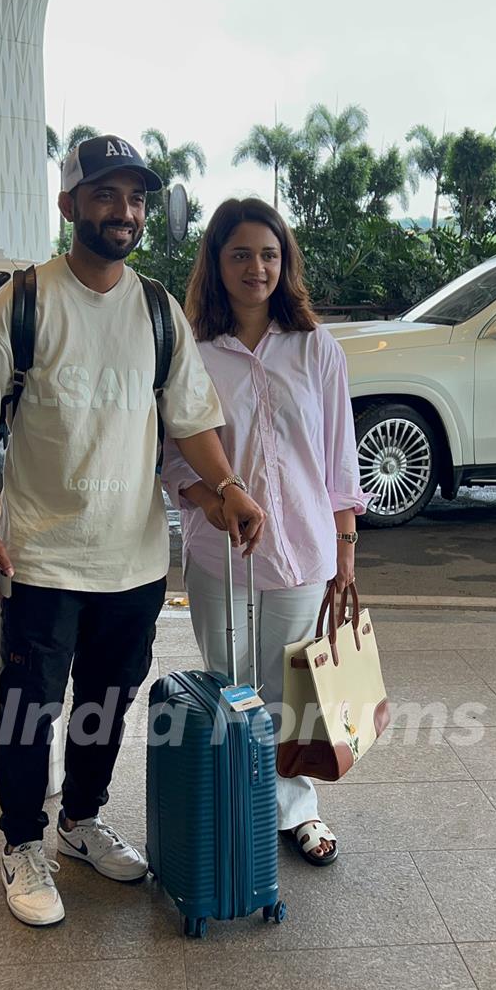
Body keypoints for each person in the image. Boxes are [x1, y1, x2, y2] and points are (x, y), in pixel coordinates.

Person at [0, 137, 265, 926]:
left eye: (134, 197)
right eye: (105, 195)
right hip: (42, 556)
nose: (122, 211)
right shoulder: (20, 305)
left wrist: (226, 488)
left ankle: (81, 822)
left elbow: (191, 422)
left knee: (107, 702)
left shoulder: (158, 310)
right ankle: (22, 841)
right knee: (30, 710)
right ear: (69, 207)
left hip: (132, 558)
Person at [163, 198, 371, 866]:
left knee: (291, 691)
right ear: (217, 264)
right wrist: (209, 498)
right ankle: (235, 804)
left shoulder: (317, 349)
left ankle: (296, 810)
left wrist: (344, 552)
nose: (257, 268)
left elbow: (341, 461)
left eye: (269, 255)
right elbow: (173, 462)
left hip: (305, 551)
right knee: (231, 686)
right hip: (219, 553)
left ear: (286, 264)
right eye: (241, 254)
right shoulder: (192, 354)